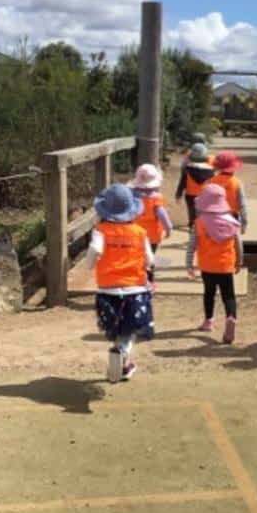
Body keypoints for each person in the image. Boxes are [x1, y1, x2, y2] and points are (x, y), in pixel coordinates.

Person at [87, 183, 154, 383]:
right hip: (135, 287)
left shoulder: (101, 230)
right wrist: (147, 266)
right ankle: (123, 353)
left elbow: (96, 250)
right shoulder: (140, 232)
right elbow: (149, 259)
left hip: (108, 288)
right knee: (131, 329)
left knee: (116, 328)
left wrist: (90, 265)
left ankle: (123, 363)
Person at [186, 183, 243, 344]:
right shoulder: (232, 221)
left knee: (209, 293)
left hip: (207, 266)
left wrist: (189, 264)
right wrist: (239, 260)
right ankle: (231, 317)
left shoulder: (199, 222)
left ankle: (208, 320)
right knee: (229, 295)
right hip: (226, 265)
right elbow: (239, 243)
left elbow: (192, 245)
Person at [131, 163, 173, 283]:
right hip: (152, 235)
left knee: (136, 256)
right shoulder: (156, 198)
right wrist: (168, 228)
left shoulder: (132, 197)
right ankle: (149, 281)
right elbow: (162, 215)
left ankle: (136, 279)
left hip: (134, 234)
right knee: (150, 257)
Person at [175, 142, 215, 228]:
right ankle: (202, 226)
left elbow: (182, 183)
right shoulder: (211, 171)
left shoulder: (187, 170)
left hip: (190, 194)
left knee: (191, 211)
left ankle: (192, 225)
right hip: (205, 194)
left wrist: (178, 195)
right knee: (204, 211)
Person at [210, 150, 248, 233]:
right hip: (232, 217)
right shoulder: (237, 183)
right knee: (230, 241)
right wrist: (244, 223)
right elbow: (242, 204)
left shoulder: (210, 182)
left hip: (213, 217)